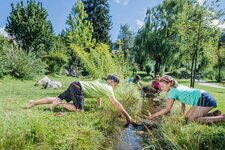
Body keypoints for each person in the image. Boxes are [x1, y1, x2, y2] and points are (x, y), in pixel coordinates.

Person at [27, 75, 132, 123]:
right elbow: (116, 103)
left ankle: (33, 102)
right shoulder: (108, 88)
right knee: (79, 110)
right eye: (116, 85)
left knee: (56, 98)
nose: (115, 87)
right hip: (78, 88)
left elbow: (98, 93)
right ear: (112, 82)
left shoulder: (101, 80)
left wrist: (99, 105)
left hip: (75, 84)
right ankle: (59, 104)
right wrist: (127, 115)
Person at [144, 75, 225, 124]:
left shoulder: (172, 91)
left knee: (192, 120)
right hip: (201, 98)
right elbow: (183, 104)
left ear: (169, 84)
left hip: (204, 99)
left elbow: (167, 109)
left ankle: (222, 118)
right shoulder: (177, 87)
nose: (161, 89)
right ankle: (214, 114)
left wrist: (152, 116)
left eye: (162, 86)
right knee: (186, 118)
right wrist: (182, 115)